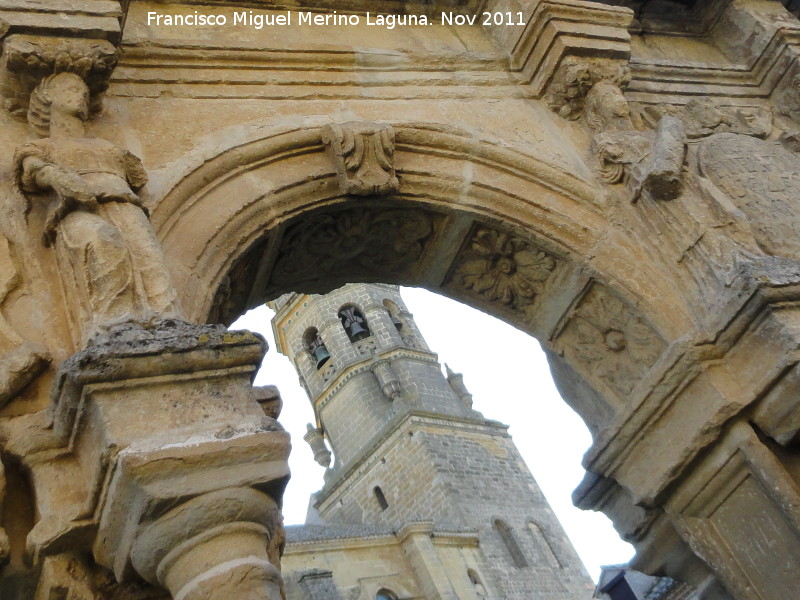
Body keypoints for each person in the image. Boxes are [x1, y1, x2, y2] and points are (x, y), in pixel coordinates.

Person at [13, 72, 184, 342]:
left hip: (124, 203)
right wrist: (57, 178)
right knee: (101, 239)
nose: (79, 94)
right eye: (69, 89)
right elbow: (33, 171)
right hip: (77, 207)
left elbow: (137, 175)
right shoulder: (40, 146)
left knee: (147, 257)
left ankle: (167, 321)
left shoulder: (105, 146)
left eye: (82, 90)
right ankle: (115, 324)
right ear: (46, 98)